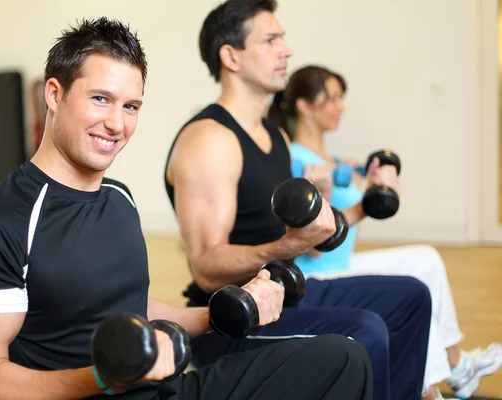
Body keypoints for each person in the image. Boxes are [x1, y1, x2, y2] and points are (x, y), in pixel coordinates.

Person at [0, 17, 374, 400]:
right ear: (54, 94)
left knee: (343, 357)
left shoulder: (118, 199)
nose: (116, 124)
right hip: (102, 392)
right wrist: (106, 379)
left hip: (162, 389)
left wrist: (228, 310)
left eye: (130, 106)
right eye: (100, 99)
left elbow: (132, 308)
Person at [163, 1, 433, 400]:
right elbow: (205, 267)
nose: (286, 50)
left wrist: (346, 203)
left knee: (412, 296)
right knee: (366, 330)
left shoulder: (276, 137)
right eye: (271, 40)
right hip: (236, 317)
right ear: (231, 56)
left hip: (288, 291)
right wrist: (285, 246)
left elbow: (310, 237)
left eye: (283, 39)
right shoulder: (209, 140)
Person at [266, 64, 502, 400]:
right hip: (318, 273)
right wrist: (369, 202)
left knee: (426, 261)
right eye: (331, 98)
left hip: (339, 265)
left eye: (341, 98)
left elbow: (352, 179)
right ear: (304, 106)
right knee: (417, 277)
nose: (340, 106)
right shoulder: (300, 164)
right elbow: (316, 235)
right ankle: (438, 383)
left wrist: (376, 179)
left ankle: (457, 369)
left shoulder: (329, 161)